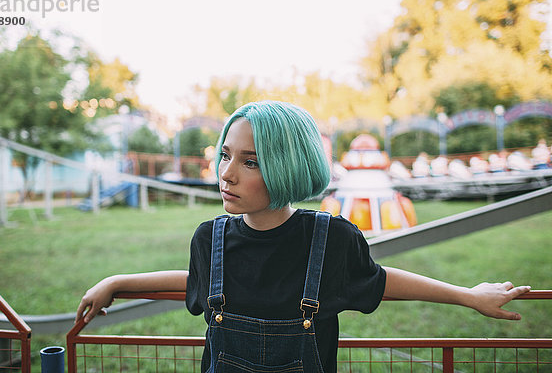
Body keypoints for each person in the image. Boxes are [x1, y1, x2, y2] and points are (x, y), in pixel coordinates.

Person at [76, 101, 531, 373]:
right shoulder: (208, 239)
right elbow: (199, 279)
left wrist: (468, 296)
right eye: (225, 156)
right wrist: (119, 282)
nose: (226, 173)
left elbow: (381, 280)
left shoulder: (331, 240)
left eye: (250, 162)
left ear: (287, 167)